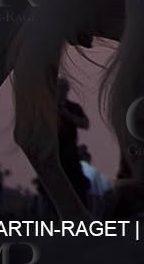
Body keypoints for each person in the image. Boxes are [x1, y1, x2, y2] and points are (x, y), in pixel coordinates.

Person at [55, 78, 90, 206]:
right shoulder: (46, 105)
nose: (61, 91)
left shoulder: (73, 107)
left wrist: (68, 116)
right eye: (59, 87)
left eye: (64, 88)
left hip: (70, 150)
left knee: (78, 181)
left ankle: (82, 212)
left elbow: (85, 124)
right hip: (52, 150)